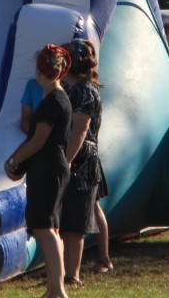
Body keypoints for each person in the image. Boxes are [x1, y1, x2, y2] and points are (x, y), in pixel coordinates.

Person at [4, 45, 72, 298]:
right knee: (50, 227)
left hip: (49, 167)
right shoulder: (57, 97)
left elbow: (38, 140)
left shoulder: (52, 101)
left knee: (45, 227)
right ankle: (54, 288)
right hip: (50, 166)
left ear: (41, 71)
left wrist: (13, 161)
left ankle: (58, 290)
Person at [60, 39, 110, 285]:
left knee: (75, 221)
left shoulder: (83, 90)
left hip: (80, 161)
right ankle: (66, 271)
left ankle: (73, 275)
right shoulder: (69, 88)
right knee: (72, 218)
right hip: (75, 157)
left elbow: (79, 129)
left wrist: (65, 161)